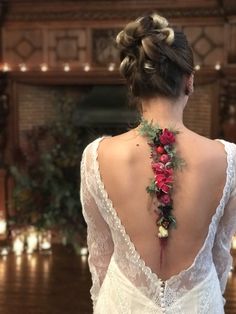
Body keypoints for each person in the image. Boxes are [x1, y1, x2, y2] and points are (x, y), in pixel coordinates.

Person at [80, 13, 236, 314]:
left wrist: (101, 302)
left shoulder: (95, 156)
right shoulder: (228, 159)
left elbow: (100, 255)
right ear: (189, 81)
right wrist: (210, 300)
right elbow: (220, 255)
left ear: (134, 86)